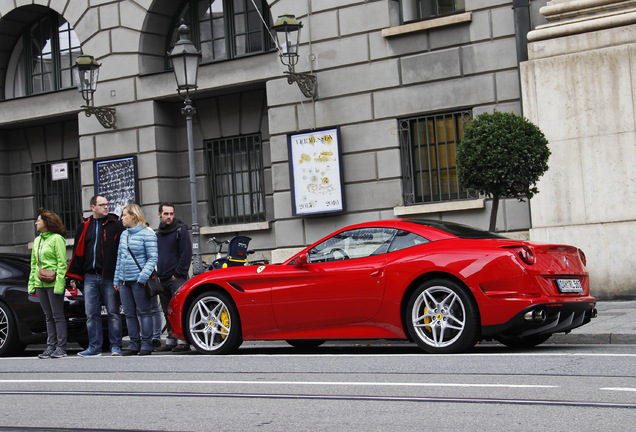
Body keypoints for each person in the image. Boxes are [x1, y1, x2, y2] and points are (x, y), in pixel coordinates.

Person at [67, 195, 124, 357]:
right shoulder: (84, 226)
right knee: (91, 313)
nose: (106, 207)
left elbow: (121, 252)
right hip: (90, 277)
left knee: (113, 312)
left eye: (107, 204)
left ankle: (116, 346)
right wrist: (74, 276)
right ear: (93, 207)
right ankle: (94, 347)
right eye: (102, 205)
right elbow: (78, 252)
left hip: (109, 276)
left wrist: (119, 276)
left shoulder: (116, 225)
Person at [114, 204, 158, 356]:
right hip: (125, 281)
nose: (122, 218)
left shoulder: (147, 233)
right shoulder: (124, 234)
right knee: (129, 313)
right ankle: (134, 344)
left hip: (139, 280)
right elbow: (119, 258)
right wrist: (117, 280)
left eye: (124, 215)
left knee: (144, 312)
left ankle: (147, 344)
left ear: (133, 215)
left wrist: (142, 277)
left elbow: (152, 258)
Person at [29, 209, 68, 359]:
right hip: (41, 283)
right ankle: (51, 346)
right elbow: (34, 264)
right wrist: (32, 284)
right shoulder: (38, 240)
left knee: (57, 315)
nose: (36, 223)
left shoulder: (57, 238)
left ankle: (61, 347)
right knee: (48, 316)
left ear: (47, 222)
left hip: (53, 283)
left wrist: (59, 285)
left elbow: (61, 263)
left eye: (39, 220)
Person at [155, 202, 192, 352]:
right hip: (162, 278)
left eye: (171, 214)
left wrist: (178, 274)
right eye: (166, 214)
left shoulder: (180, 230)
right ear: (160, 215)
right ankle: (171, 340)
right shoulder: (159, 233)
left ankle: (183, 341)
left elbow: (186, 254)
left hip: (176, 278)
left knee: (179, 309)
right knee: (167, 311)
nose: (169, 217)